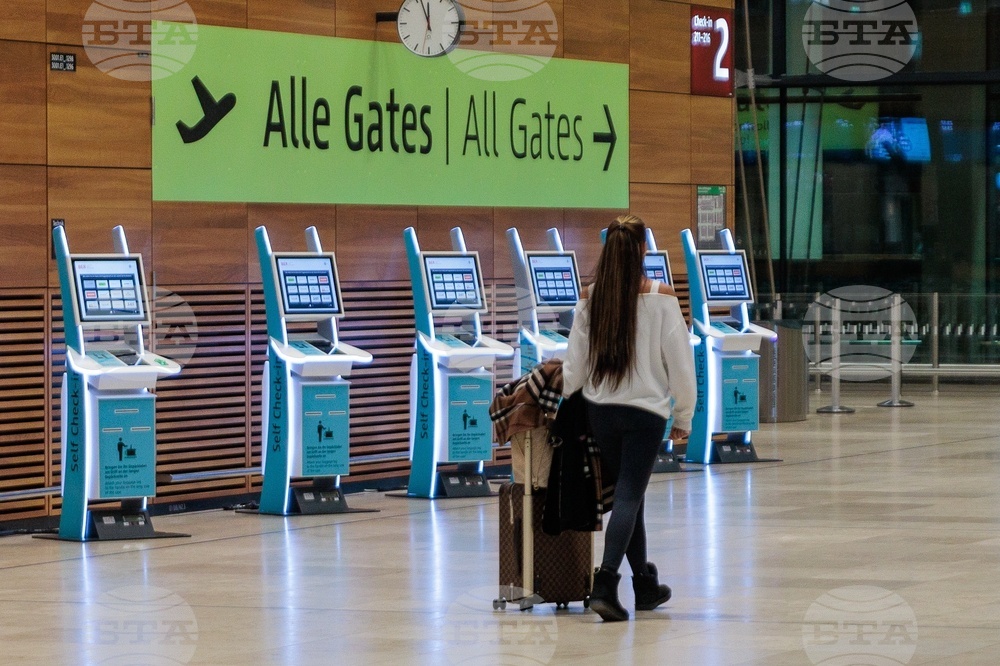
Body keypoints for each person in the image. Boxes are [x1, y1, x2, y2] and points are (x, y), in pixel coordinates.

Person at [562, 214, 696, 622]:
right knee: (628, 496)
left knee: (628, 494)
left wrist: (565, 399)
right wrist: (684, 413)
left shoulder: (590, 298)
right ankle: (605, 584)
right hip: (645, 414)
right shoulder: (661, 297)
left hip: (601, 411)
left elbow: (574, 368)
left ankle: (644, 585)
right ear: (642, 249)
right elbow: (680, 364)